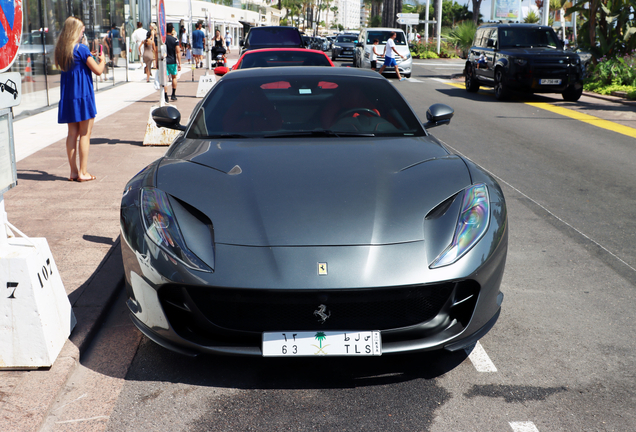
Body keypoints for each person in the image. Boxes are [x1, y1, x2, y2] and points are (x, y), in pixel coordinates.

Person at [54, 16, 105, 182]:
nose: (83, 33)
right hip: (83, 95)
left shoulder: (62, 51)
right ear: (75, 31)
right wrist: (102, 61)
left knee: (71, 134)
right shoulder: (82, 49)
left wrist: (88, 56)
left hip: (69, 96)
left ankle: (74, 172)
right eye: (81, 30)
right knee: (85, 134)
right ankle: (83, 172)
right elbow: (97, 70)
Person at [165, 23, 181, 102]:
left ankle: (165, 95)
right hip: (173, 61)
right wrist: (179, 63)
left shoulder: (163, 40)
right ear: (172, 30)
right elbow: (178, 52)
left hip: (164, 61)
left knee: (165, 78)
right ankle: (173, 94)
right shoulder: (175, 39)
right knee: (174, 77)